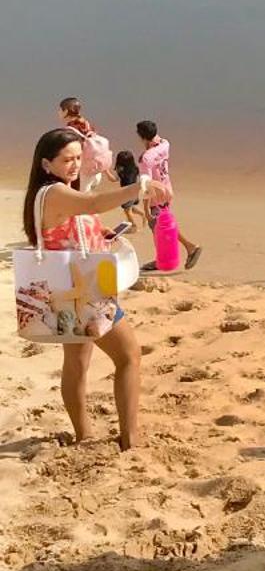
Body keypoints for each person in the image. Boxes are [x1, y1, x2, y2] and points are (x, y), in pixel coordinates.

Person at [22, 128, 159, 449]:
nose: (74, 165)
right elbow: (95, 202)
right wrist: (138, 186)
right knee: (129, 356)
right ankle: (131, 439)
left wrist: (102, 233)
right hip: (84, 292)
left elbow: (80, 219)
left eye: (77, 158)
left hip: (67, 288)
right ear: (46, 163)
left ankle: (84, 435)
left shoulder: (56, 192)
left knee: (77, 363)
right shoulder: (54, 192)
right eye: (66, 159)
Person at [134, 121, 202, 270]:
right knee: (164, 224)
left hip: (156, 197)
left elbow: (147, 186)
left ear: (142, 137)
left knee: (160, 227)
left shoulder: (145, 159)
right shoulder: (165, 144)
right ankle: (162, 258)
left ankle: (190, 248)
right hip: (167, 190)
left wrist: (145, 210)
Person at [59, 97, 114, 196]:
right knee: (88, 200)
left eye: (60, 109)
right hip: (96, 172)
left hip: (84, 174)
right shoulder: (87, 124)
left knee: (80, 203)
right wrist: (108, 173)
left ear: (66, 111)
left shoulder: (69, 130)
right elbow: (97, 150)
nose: (58, 112)